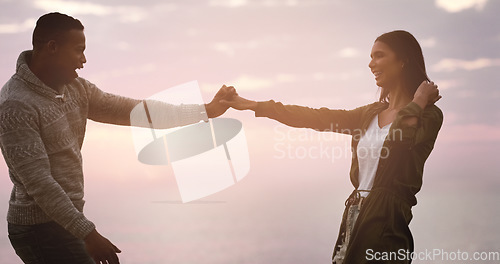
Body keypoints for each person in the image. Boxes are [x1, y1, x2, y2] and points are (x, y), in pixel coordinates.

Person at [0, 12, 235, 264]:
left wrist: (206, 110)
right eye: (79, 51)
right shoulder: (16, 105)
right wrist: (88, 233)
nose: (83, 60)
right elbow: (40, 185)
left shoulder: (76, 88)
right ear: (52, 47)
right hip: (40, 230)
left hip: (65, 221)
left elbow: (137, 111)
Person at [221, 30, 443, 263]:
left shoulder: (429, 116)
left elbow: (399, 146)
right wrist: (252, 105)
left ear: (403, 60)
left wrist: (419, 101)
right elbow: (315, 117)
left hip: (387, 226)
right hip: (354, 217)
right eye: (370, 57)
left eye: (379, 56)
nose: (370, 64)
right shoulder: (369, 114)